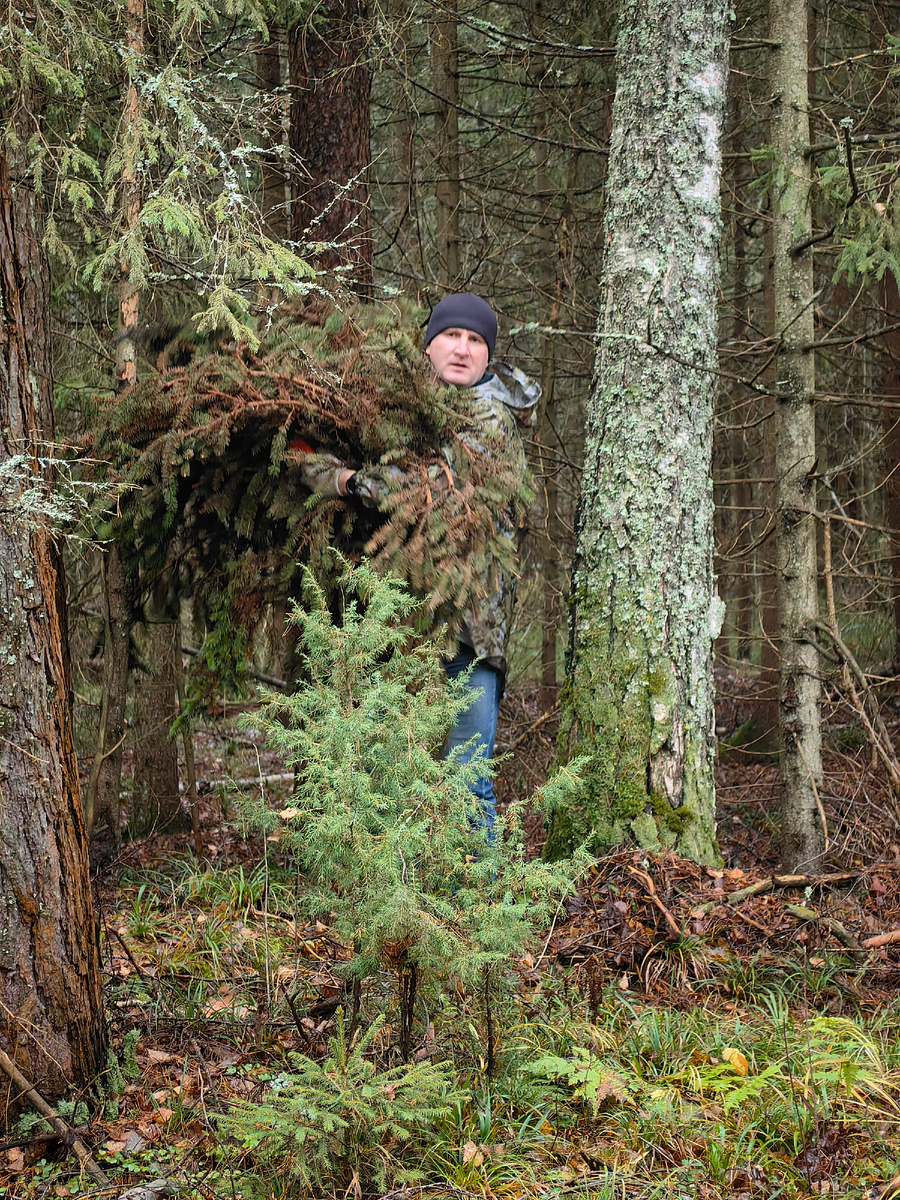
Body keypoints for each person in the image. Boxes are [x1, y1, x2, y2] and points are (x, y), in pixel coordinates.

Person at [303, 293, 539, 837]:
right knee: (387, 773)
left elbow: (419, 488)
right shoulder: (406, 412)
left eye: (476, 341)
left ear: (488, 356)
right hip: (401, 622)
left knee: (466, 778)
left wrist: (343, 480)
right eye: (451, 336)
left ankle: (476, 908)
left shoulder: (490, 419)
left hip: (470, 629)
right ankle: (400, 905)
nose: (462, 349)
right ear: (428, 345)